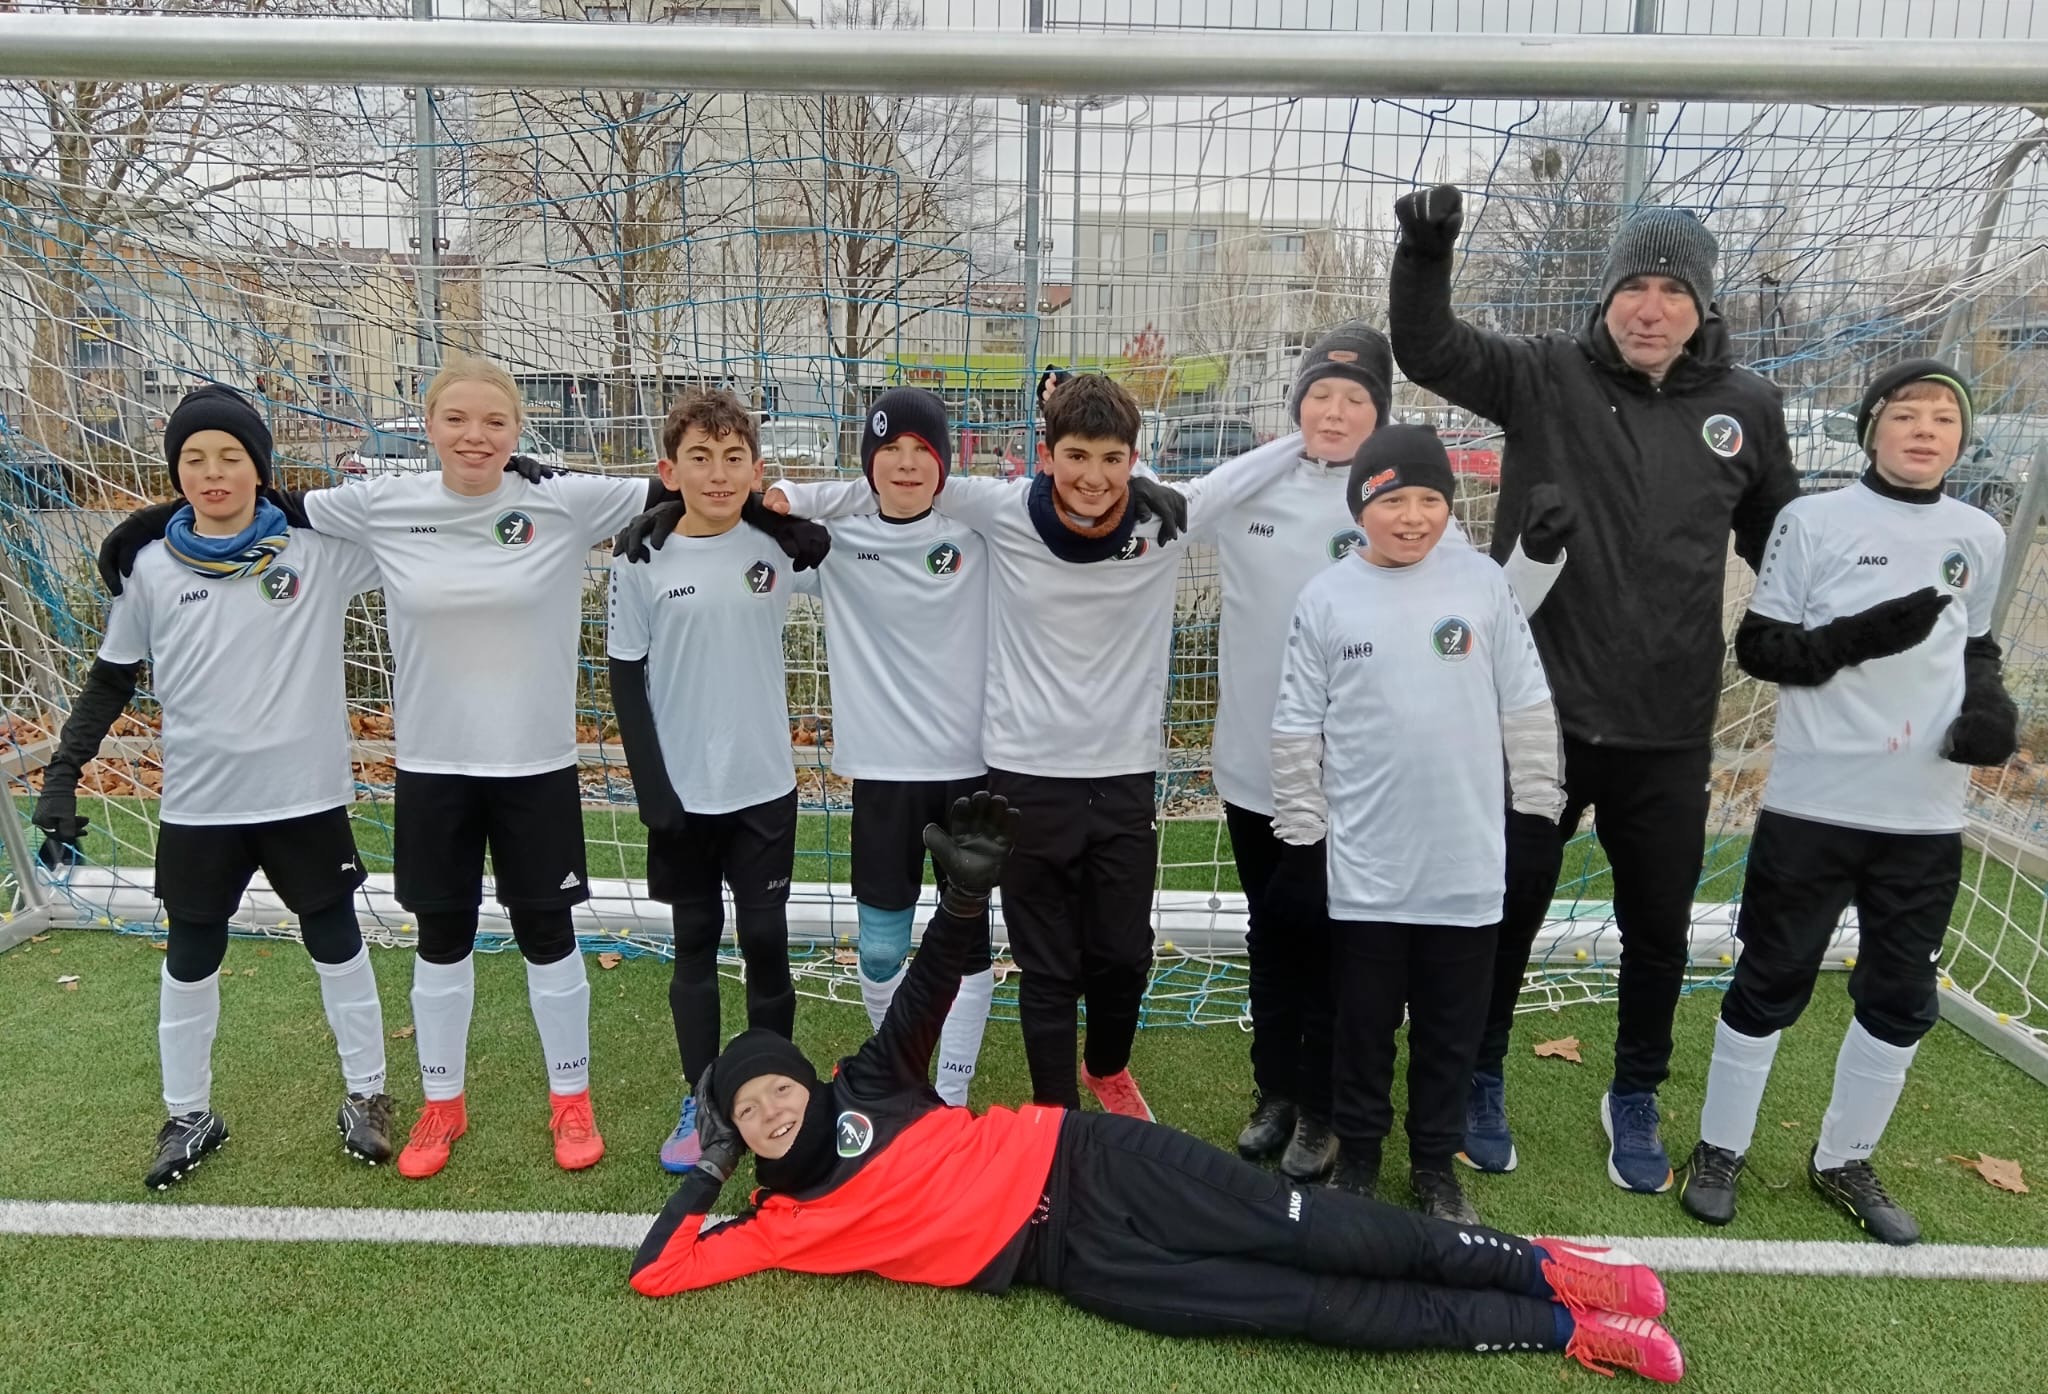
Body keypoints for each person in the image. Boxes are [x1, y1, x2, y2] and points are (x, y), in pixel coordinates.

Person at [627, 793, 1683, 1386]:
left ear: (807, 1079)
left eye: (774, 1089)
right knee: (1299, 1306)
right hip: (1073, 1261)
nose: (772, 1112)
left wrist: (963, 900)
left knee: (1316, 1228)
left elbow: (928, 990)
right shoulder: (777, 1221)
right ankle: (1563, 1333)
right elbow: (656, 1273)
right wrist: (709, 1167)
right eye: (749, 1114)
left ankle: (1549, 1268)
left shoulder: (867, 1082)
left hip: (1090, 1158)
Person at [97, 356, 826, 1180]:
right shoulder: (383, 503)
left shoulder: (562, 498)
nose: (475, 436)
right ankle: (442, 1105)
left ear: (518, 431)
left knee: (549, 935)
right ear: (429, 425)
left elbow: (691, 488)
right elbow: (268, 502)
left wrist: (778, 520)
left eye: (494, 422)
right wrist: (154, 524)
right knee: (442, 939)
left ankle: (571, 1100)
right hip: (433, 768)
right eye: (456, 420)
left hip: (536, 767)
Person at [1390, 186, 1801, 1193]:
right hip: (1540, 715)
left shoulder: (1746, 409)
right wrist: (1426, 252)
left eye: (1672, 291)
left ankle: (1635, 1091)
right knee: (1505, 911)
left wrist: (1845, 629)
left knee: (1657, 928)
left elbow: (1786, 548)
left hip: (1668, 726)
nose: (1650, 308)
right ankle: (1479, 1071)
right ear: (1606, 294)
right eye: (1633, 287)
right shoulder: (1543, 376)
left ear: (1701, 305)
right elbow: (1428, 349)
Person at [761, 374, 1302, 1119]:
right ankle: (1050, 1118)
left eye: (1112, 460)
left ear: (1132, 459)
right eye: (1076, 456)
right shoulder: (1004, 510)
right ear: (1046, 457)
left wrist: (1313, 432)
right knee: (1039, 964)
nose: (1093, 476)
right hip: (1019, 771)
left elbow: (1231, 481)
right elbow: (897, 484)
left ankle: (1103, 1067)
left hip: (1120, 774)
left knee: (1122, 956)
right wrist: (791, 495)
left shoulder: (1163, 519)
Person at [1680, 361, 2015, 1245]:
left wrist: (1989, 708)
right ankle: (1720, 1148)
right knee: (1770, 978)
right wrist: (1860, 637)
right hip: (1815, 803)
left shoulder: (1980, 533)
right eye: (1905, 414)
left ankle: (1844, 1160)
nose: (1924, 429)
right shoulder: (1813, 520)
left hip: (1925, 816)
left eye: (1943, 417)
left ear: (1961, 438)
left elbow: (1977, 647)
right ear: (1871, 430)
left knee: (1901, 997)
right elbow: (1762, 647)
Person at [36, 385, 394, 1189]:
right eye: (194, 459)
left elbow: (411, 526)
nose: (212, 472)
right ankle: (189, 1113)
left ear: (259, 468)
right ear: (176, 473)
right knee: (192, 955)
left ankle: (368, 1095)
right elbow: (110, 680)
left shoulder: (316, 553)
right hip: (201, 804)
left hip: (303, 796)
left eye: (231, 456)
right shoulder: (152, 568)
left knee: (337, 941)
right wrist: (63, 775)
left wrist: (302, 502)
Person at [1271, 426, 1564, 1223]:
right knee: (1362, 1028)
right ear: (1361, 506)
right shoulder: (1327, 596)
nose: (1413, 517)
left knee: (1449, 1032)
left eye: (1430, 499)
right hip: (1365, 869)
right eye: (1394, 500)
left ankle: (1435, 1165)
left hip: (1465, 867)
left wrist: (1535, 816)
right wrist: (1303, 839)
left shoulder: (1482, 584)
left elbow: (1527, 706)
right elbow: (1296, 727)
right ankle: (1360, 1157)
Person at [606, 388, 813, 1171]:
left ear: (756, 470)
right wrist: (652, 789)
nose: (718, 474)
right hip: (682, 796)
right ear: (670, 471)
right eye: (700, 458)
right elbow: (625, 676)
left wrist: (794, 514)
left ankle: (775, 1094)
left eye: (734, 459)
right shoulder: (641, 557)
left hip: (764, 788)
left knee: (765, 943)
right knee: (694, 943)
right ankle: (704, 1101)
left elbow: (857, 532)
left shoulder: (777, 548)